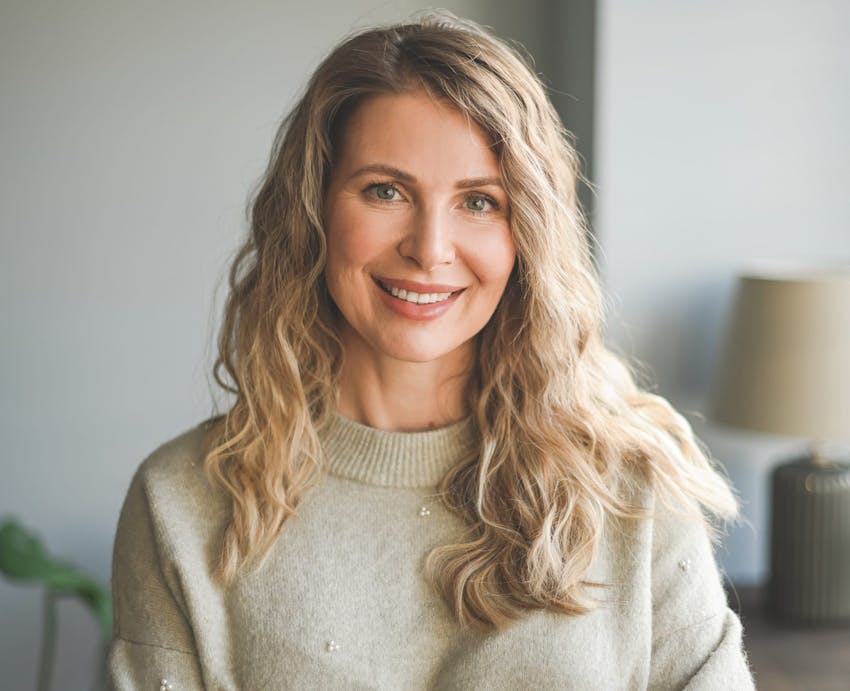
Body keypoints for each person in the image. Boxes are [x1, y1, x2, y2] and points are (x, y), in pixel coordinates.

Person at [107, 11, 755, 690]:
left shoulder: (634, 487)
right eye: (385, 191)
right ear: (315, 211)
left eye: (479, 202)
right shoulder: (181, 503)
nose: (430, 248)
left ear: (525, 233)